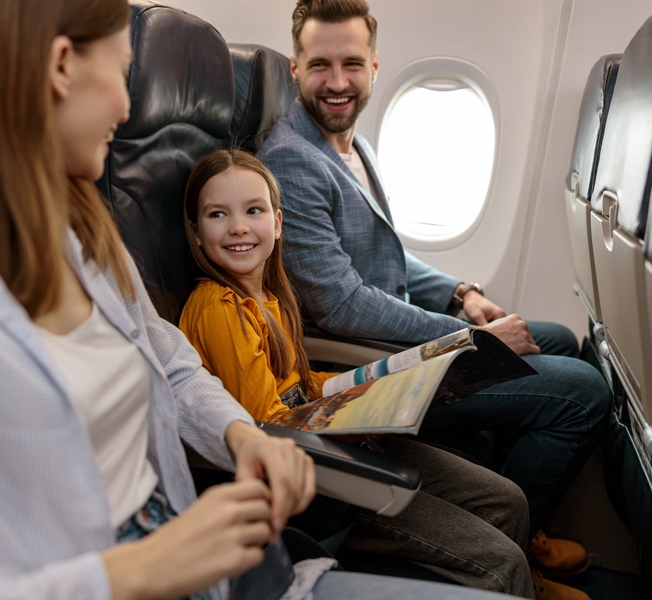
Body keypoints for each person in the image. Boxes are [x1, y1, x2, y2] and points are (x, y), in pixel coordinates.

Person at [0, 1, 506, 598]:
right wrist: (139, 571)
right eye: (121, 75)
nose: (126, 107)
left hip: (213, 563)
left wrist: (240, 433)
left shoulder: (75, 221)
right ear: (60, 66)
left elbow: (167, 358)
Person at [256, 0, 610, 595]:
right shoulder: (291, 162)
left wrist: (461, 292)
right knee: (582, 393)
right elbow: (341, 306)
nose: (337, 82)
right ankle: (519, 543)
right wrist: (469, 341)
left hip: (390, 340)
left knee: (555, 337)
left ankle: (521, 528)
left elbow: (386, 255)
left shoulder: (351, 145)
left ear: (374, 65)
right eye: (320, 65)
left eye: (351, 64)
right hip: (364, 368)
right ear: (295, 68)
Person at [179, 148, 534, 598]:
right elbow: (265, 423)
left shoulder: (271, 296)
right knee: (501, 562)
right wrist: (351, 416)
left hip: (329, 442)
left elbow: (298, 386)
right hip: (313, 480)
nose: (238, 227)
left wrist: (376, 381)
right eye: (217, 214)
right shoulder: (219, 307)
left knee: (507, 501)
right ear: (195, 232)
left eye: (254, 210)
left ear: (278, 222)